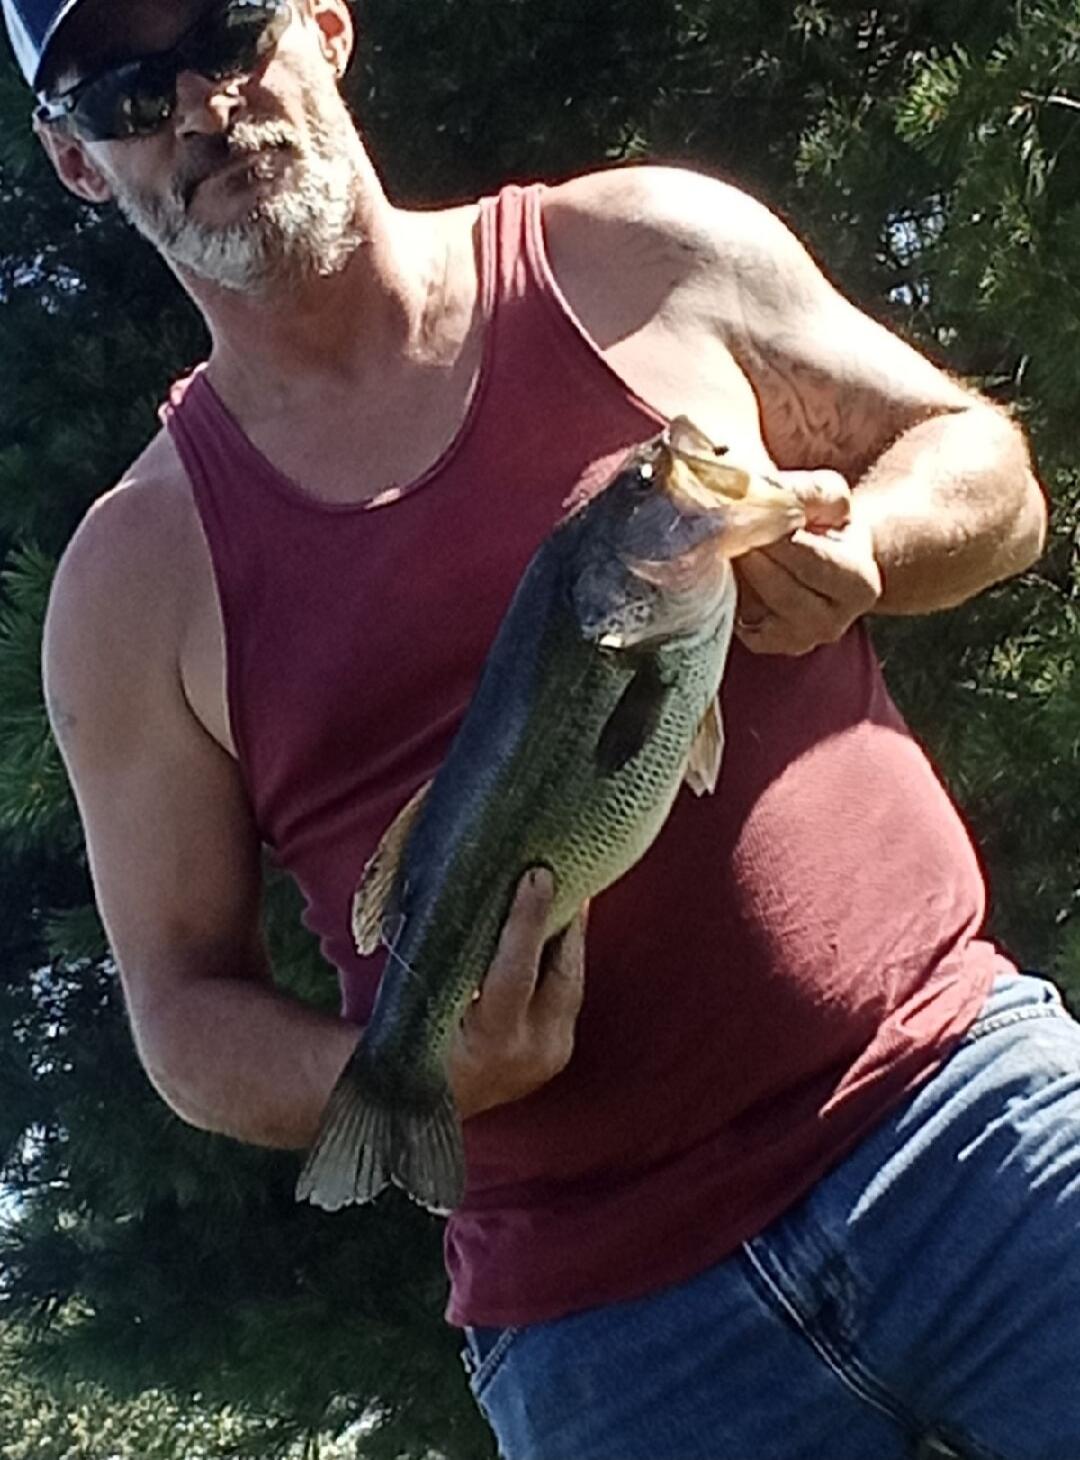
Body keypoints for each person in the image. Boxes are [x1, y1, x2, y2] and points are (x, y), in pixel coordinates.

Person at [6, 0, 1076, 1455]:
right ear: (78, 162)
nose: (197, 102)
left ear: (325, 25)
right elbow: (182, 1014)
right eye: (126, 88)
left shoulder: (639, 251)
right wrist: (395, 1081)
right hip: (609, 1334)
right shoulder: (130, 581)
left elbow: (991, 476)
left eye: (230, 26)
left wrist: (875, 540)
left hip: (968, 1119)